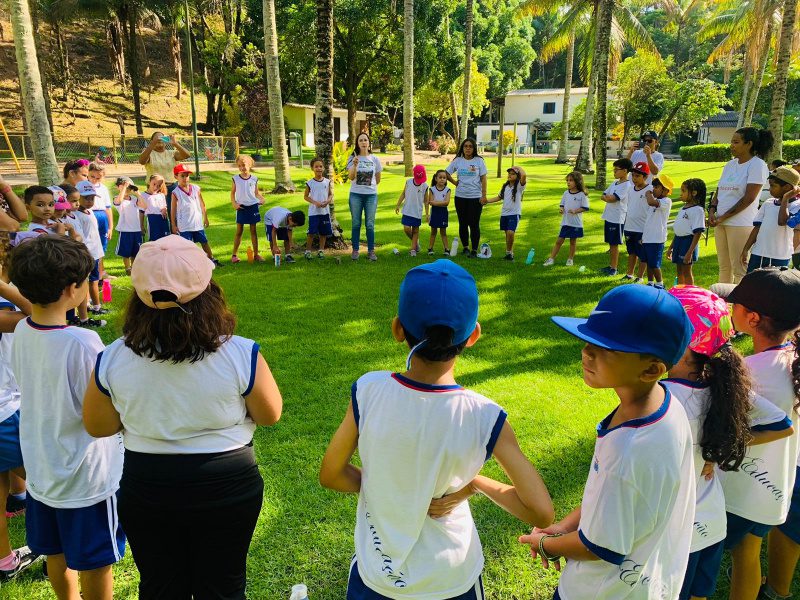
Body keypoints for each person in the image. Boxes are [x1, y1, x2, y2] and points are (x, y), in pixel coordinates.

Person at [320, 260, 554, 599]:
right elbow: (540, 512)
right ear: (474, 335)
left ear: (398, 328)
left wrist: (390, 489)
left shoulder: (368, 390)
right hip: (452, 580)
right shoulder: (486, 416)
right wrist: (474, 483)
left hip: (378, 577)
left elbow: (331, 474)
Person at [83, 235, 283, 599]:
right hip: (229, 485)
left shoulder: (112, 357)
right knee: (223, 586)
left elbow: (99, 426)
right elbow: (269, 415)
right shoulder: (240, 352)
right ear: (209, 289)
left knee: (161, 588)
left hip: (147, 486)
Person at [526, 285, 695, 599]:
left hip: (603, 591)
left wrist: (545, 544)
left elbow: (599, 547)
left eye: (608, 348)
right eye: (589, 340)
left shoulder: (628, 449)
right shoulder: (662, 402)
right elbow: (609, 497)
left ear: (651, 369)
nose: (587, 352)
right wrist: (565, 525)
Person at [8, 235, 125, 600]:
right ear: (73, 289)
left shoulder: (22, 328)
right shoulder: (82, 342)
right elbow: (106, 403)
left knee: (54, 552)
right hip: (86, 477)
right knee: (96, 562)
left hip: (42, 470)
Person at [663, 286, 794, 600]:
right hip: (710, 520)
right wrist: (721, 448)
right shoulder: (724, 383)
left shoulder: (663, 399)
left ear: (680, 342)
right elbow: (782, 424)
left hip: (679, 529)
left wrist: (722, 449)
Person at [715, 268, 800, 600]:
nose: (729, 307)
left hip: (744, 486)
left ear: (751, 319)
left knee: (735, 553)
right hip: (778, 483)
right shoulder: (792, 360)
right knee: (748, 554)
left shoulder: (750, 373)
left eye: (734, 303)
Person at [709, 127, 773, 283]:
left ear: (749, 144)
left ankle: (740, 306)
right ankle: (724, 305)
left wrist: (723, 217)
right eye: (731, 141)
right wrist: (712, 211)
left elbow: (749, 198)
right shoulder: (730, 165)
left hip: (740, 224)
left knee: (739, 270)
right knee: (724, 268)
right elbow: (719, 191)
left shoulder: (757, 165)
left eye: (736, 142)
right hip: (720, 222)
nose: (732, 145)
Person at [741, 166, 800, 272]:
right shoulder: (768, 203)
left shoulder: (797, 205)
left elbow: (782, 221)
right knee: (751, 286)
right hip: (758, 254)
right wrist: (746, 249)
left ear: (787, 187)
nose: (769, 189)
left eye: (773, 186)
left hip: (780, 257)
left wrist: (785, 199)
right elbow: (757, 228)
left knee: (775, 288)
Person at [170, 164, 220, 266]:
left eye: (187, 176)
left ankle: (211, 259)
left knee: (204, 242)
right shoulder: (175, 192)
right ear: (176, 177)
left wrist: (205, 218)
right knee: (187, 246)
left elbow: (202, 204)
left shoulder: (196, 188)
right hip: (184, 225)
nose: (185, 178)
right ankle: (189, 263)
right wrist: (174, 225)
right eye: (182, 176)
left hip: (197, 223)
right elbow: (173, 210)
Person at [73, 181, 108, 326]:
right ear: (78, 197)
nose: (89, 201)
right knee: (89, 282)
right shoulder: (76, 215)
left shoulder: (91, 211)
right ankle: (93, 307)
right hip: (87, 255)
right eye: (86, 198)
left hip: (95, 253)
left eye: (92, 198)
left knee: (94, 280)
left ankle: (94, 306)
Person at [446, 138, 488, 258]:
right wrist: (455, 183)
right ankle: (465, 248)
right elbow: (446, 173)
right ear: (462, 148)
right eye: (465, 146)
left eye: (470, 146)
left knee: (474, 224)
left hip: (475, 197)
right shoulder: (458, 161)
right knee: (463, 223)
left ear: (474, 148)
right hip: (460, 197)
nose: (468, 148)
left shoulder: (479, 161)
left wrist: (484, 195)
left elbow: (484, 178)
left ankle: (474, 250)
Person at [138, 131, 191, 222]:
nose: (159, 140)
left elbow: (187, 155)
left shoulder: (171, 153)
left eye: (162, 138)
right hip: (155, 189)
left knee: (174, 214)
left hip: (171, 187)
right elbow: (142, 161)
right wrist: (152, 145)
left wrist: (175, 143)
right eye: (156, 138)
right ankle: (160, 234)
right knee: (158, 215)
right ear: (152, 141)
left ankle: (175, 233)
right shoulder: (149, 152)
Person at [347, 132, 383, 261]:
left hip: (371, 196)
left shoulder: (375, 159)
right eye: (360, 140)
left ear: (369, 143)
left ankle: (371, 251)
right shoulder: (353, 158)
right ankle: (355, 250)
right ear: (357, 143)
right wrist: (355, 165)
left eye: (365, 140)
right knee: (356, 223)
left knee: (370, 224)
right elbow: (351, 177)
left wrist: (369, 186)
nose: (363, 142)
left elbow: (378, 179)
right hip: (356, 195)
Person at [543, 171, 589, 267]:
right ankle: (551, 259)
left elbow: (585, 207)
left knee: (573, 242)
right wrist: (561, 209)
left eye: (571, 180)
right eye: (567, 180)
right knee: (559, 241)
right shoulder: (565, 193)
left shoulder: (582, 194)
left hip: (576, 223)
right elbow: (562, 204)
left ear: (577, 181)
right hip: (566, 222)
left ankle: (570, 259)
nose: (568, 182)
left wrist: (575, 211)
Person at [481, 166, 527, 261]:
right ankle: (509, 253)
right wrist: (487, 201)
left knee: (510, 232)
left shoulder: (519, 186)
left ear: (517, 176)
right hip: (504, 214)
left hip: (514, 213)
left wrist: (518, 167)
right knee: (507, 235)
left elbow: (524, 175)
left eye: (513, 174)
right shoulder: (505, 186)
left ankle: (509, 253)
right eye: (509, 173)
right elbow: (498, 197)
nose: (510, 175)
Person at [667, 179, 707, 286]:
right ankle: (681, 292)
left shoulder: (698, 210)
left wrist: (690, 252)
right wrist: (671, 247)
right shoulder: (683, 208)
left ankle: (690, 292)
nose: (681, 194)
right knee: (679, 270)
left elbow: (697, 233)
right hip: (679, 242)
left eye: (683, 191)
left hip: (688, 243)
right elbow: (679, 231)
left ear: (693, 193)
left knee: (686, 271)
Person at [599, 158, 633, 276]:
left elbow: (612, 199)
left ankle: (614, 268)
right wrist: (607, 197)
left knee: (614, 244)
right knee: (610, 243)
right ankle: (611, 266)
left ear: (624, 171)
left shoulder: (626, 185)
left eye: (616, 170)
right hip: (609, 216)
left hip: (617, 218)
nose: (614, 172)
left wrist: (608, 198)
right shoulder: (614, 183)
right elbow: (603, 195)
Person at [230, 155, 266, 264]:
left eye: (244, 165)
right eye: (239, 166)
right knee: (239, 231)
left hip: (253, 207)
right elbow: (232, 193)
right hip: (241, 207)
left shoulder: (254, 178)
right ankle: (234, 255)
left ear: (250, 165)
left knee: (253, 231)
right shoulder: (235, 178)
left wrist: (262, 198)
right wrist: (234, 203)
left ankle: (256, 254)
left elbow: (256, 193)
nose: (242, 168)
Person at [621, 161, 652, 282]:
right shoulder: (630, 189)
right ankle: (629, 274)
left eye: (637, 176)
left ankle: (640, 277)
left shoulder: (649, 190)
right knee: (631, 252)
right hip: (629, 226)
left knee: (642, 254)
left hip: (642, 228)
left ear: (645, 177)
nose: (634, 178)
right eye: (633, 175)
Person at [641, 174, 674, 289]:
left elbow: (651, 202)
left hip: (657, 238)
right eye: (653, 187)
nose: (653, 189)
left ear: (665, 190)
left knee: (654, 263)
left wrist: (648, 193)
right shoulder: (655, 200)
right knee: (648, 261)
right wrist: (643, 237)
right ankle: (650, 282)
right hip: (648, 237)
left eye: (656, 187)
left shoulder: (666, 201)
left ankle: (660, 283)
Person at [87, 162, 114, 279]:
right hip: (89, 215)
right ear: (88, 174)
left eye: (98, 178)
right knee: (90, 245)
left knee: (101, 246)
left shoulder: (103, 188)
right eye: (92, 177)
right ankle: (90, 272)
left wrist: (110, 227)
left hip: (101, 217)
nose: (94, 180)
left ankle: (101, 272)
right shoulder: (83, 186)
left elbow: (108, 208)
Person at [395, 165, 429, 256]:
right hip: (407, 210)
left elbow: (426, 201)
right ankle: (416, 243)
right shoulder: (408, 182)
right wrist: (398, 205)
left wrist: (427, 214)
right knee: (406, 229)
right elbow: (403, 194)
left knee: (415, 231)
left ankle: (413, 249)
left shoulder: (425, 186)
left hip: (417, 212)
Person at [304, 157, 333, 260]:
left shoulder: (327, 182)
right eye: (316, 166)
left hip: (325, 212)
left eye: (320, 166)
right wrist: (315, 202)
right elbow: (306, 196)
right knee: (311, 232)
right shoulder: (309, 183)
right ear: (312, 168)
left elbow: (330, 195)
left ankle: (321, 250)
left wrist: (327, 201)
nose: (319, 168)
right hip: (314, 212)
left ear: (324, 168)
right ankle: (307, 251)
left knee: (323, 233)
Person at [113, 178, 144, 274]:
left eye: (129, 187)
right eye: (123, 186)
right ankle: (127, 268)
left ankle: (134, 267)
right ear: (118, 187)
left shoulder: (134, 199)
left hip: (136, 229)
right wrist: (124, 188)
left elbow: (144, 206)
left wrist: (138, 193)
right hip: (125, 230)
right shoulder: (117, 198)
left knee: (135, 251)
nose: (127, 189)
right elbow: (119, 201)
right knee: (126, 251)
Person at [137, 175, 170, 242]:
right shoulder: (143, 195)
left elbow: (164, 207)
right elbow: (141, 212)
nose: (156, 187)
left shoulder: (161, 195)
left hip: (163, 220)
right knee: (153, 241)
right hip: (152, 220)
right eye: (154, 184)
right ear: (149, 182)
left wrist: (165, 209)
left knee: (165, 241)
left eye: (159, 185)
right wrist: (141, 226)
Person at [426, 169, 451, 256]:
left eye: (444, 178)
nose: (442, 179)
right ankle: (430, 248)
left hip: (443, 212)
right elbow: (430, 202)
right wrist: (440, 203)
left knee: (443, 231)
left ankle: (447, 249)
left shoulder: (448, 190)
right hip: (435, 212)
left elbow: (447, 203)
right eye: (440, 177)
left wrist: (436, 203)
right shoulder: (432, 189)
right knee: (433, 231)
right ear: (436, 178)